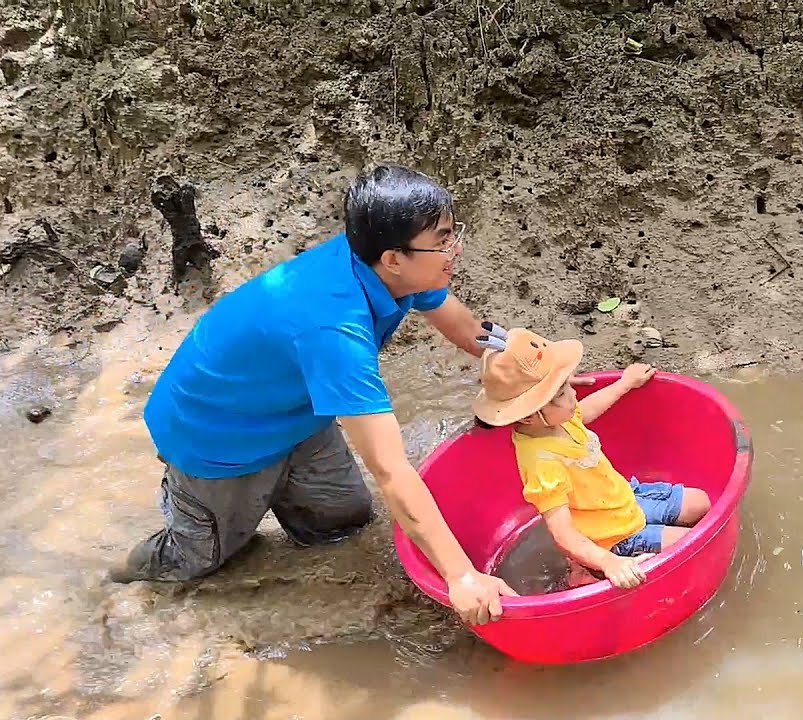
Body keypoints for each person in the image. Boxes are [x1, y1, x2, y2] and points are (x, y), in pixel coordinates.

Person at [111, 164, 561, 626]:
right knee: (196, 560)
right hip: (216, 433)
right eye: (442, 240)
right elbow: (390, 468)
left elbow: (469, 331)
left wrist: (540, 379)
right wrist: (462, 576)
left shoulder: (394, 269)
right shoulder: (335, 330)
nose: (455, 249)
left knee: (342, 522)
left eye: (452, 233)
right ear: (393, 258)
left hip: (296, 410)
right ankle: (108, 582)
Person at [470, 326, 711, 589]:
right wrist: (608, 562)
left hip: (624, 499)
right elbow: (562, 534)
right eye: (561, 392)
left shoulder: (553, 420)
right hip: (611, 536)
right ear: (528, 414)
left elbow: (584, 412)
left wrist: (625, 383)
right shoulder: (543, 464)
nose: (573, 394)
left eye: (565, 385)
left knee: (702, 503)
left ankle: (584, 566)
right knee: (693, 546)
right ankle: (586, 569)